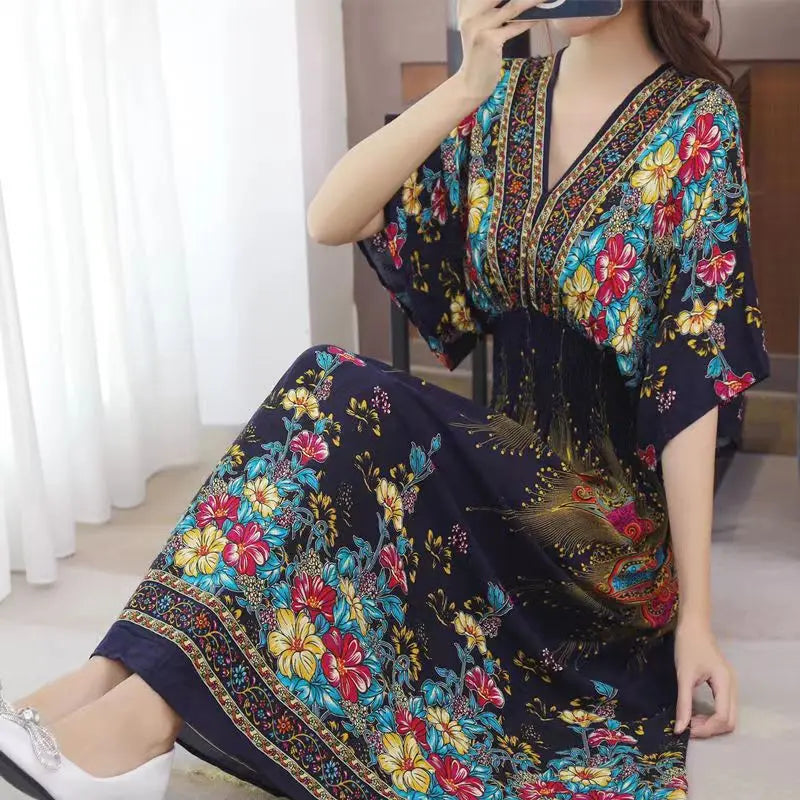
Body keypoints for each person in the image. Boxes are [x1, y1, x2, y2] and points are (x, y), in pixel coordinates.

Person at [0, 1, 770, 798]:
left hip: (603, 533)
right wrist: (466, 84)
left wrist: (697, 619)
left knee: (350, 393)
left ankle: (135, 726)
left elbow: (693, 383)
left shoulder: (696, 121)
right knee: (324, 402)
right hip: (495, 479)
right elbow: (331, 216)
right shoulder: (505, 101)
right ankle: (105, 681)